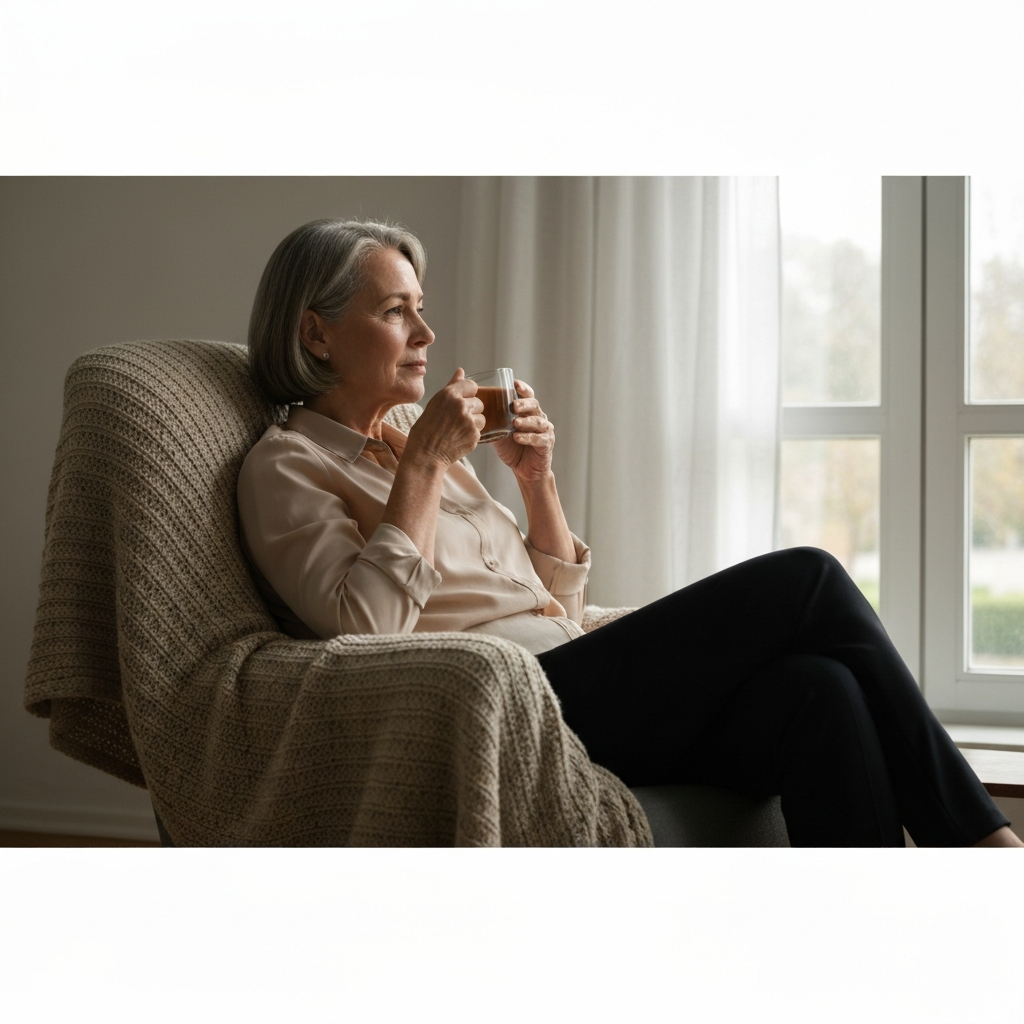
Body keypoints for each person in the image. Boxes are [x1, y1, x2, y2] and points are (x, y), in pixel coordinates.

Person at [238, 218, 1022, 848]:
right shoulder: (288, 466)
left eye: (420, 306)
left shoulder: (415, 439)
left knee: (822, 691)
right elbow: (363, 629)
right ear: (316, 334)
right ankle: (983, 846)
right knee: (807, 577)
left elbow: (557, 606)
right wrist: (425, 469)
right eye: (395, 311)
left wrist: (536, 481)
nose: (426, 333)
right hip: (508, 707)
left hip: (575, 673)